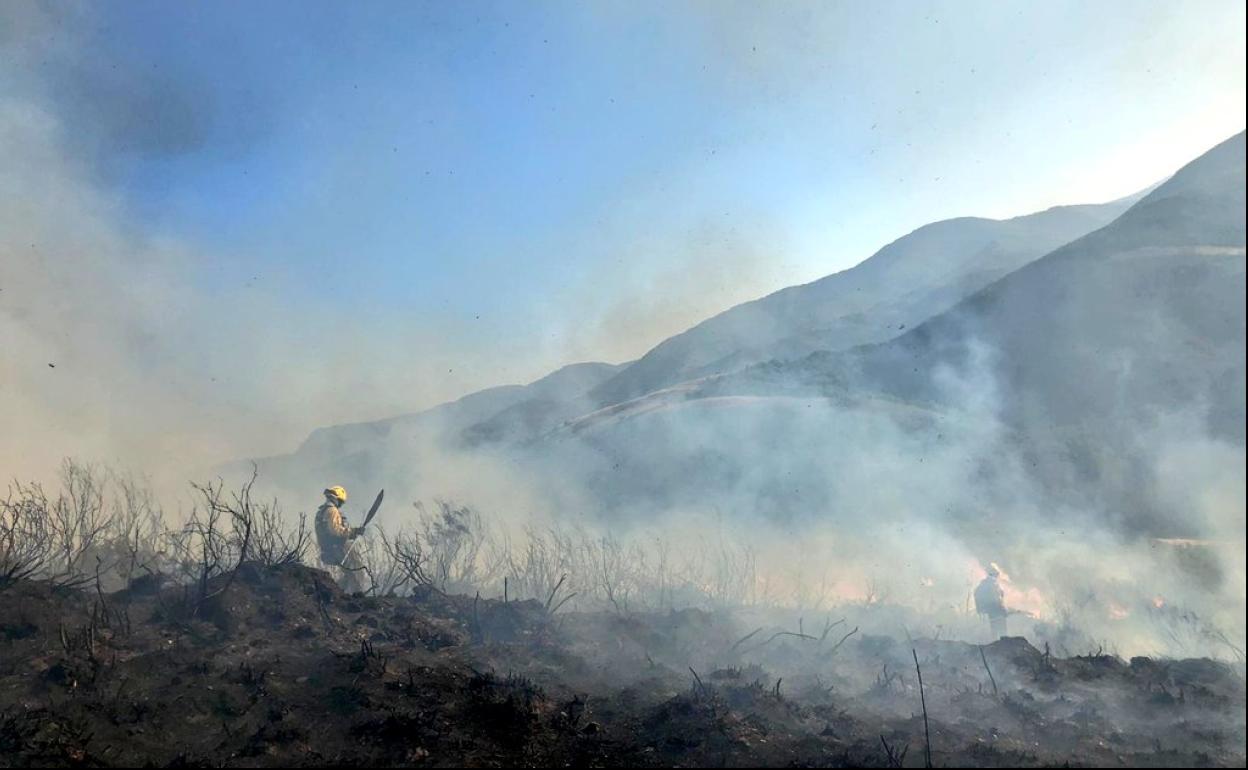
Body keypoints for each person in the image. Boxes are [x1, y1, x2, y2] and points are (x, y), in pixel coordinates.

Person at [315, 485, 365, 593]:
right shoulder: (332, 511)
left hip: (328, 548)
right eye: (341, 502)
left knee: (348, 573)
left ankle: (338, 593)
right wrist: (353, 531)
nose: (341, 505)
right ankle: (357, 595)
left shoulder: (322, 511)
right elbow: (335, 531)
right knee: (355, 571)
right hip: (337, 548)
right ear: (336, 498)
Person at [974, 562, 1009, 640]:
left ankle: (996, 646)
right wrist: (1004, 610)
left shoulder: (984, 584)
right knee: (1002, 632)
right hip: (997, 611)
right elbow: (997, 599)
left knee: (994, 632)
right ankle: (1003, 647)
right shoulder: (992, 584)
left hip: (991, 612)